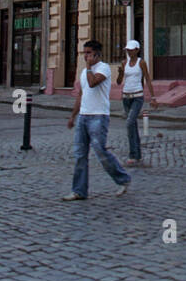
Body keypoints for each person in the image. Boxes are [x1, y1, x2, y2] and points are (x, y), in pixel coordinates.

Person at [63, 40, 131, 200]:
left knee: (100, 150)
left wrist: (88, 68)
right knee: (80, 154)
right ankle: (79, 190)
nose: (85, 56)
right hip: (83, 116)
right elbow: (81, 94)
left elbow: (93, 83)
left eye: (88, 53)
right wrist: (73, 116)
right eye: (84, 53)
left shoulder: (104, 68)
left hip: (99, 116)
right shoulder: (84, 72)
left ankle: (123, 179)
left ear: (96, 54)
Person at [116, 39, 156, 167]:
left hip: (138, 96)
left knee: (129, 123)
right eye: (127, 50)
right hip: (126, 97)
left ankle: (132, 154)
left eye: (131, 50)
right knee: (132, 126)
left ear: (137, 50)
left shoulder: (141, 63)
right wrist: (121, 73)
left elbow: (148, 79)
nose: (129, 52)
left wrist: (153, 97)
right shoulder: (124, 63)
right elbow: (118, 82)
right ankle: (137, 154)